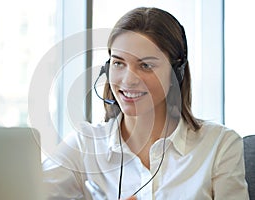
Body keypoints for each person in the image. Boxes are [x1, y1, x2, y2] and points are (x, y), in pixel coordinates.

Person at [42, 7, 249, 200]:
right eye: (118, 63)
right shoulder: (84, 145)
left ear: (175, 74)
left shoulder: (220, 145)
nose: (128, 79)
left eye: (146, 65)